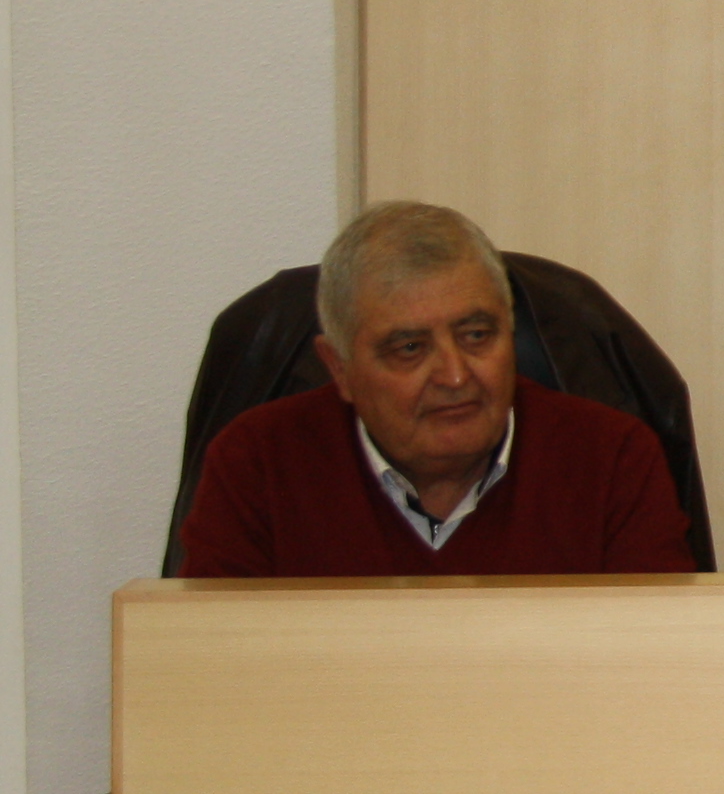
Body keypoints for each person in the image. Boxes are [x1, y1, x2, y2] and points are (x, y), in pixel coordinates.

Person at [179, 201, 694, 577]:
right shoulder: (257, 464)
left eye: (477, 335)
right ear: (339, 369)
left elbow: (660, 666)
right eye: (409, 348)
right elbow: (207, 668)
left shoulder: (611, 459)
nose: (454, 375)